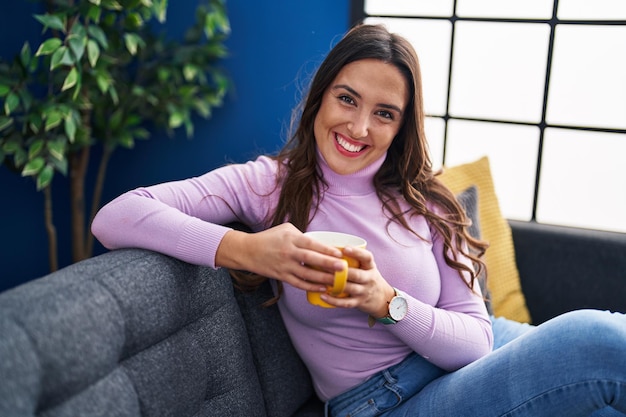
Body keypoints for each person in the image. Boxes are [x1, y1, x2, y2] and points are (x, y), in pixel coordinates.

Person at [92, 23, 625, 417]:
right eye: (347, 99)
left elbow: (474, 342)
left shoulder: (425, 200)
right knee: (596, 339)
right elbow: (116, 216)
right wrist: (249, 249)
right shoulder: (269, 182)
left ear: (400, 128)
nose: (359, 126)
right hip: (385, 401)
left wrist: (384, 300)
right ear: (321, 96)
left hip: (469, 360)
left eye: (384, 113)